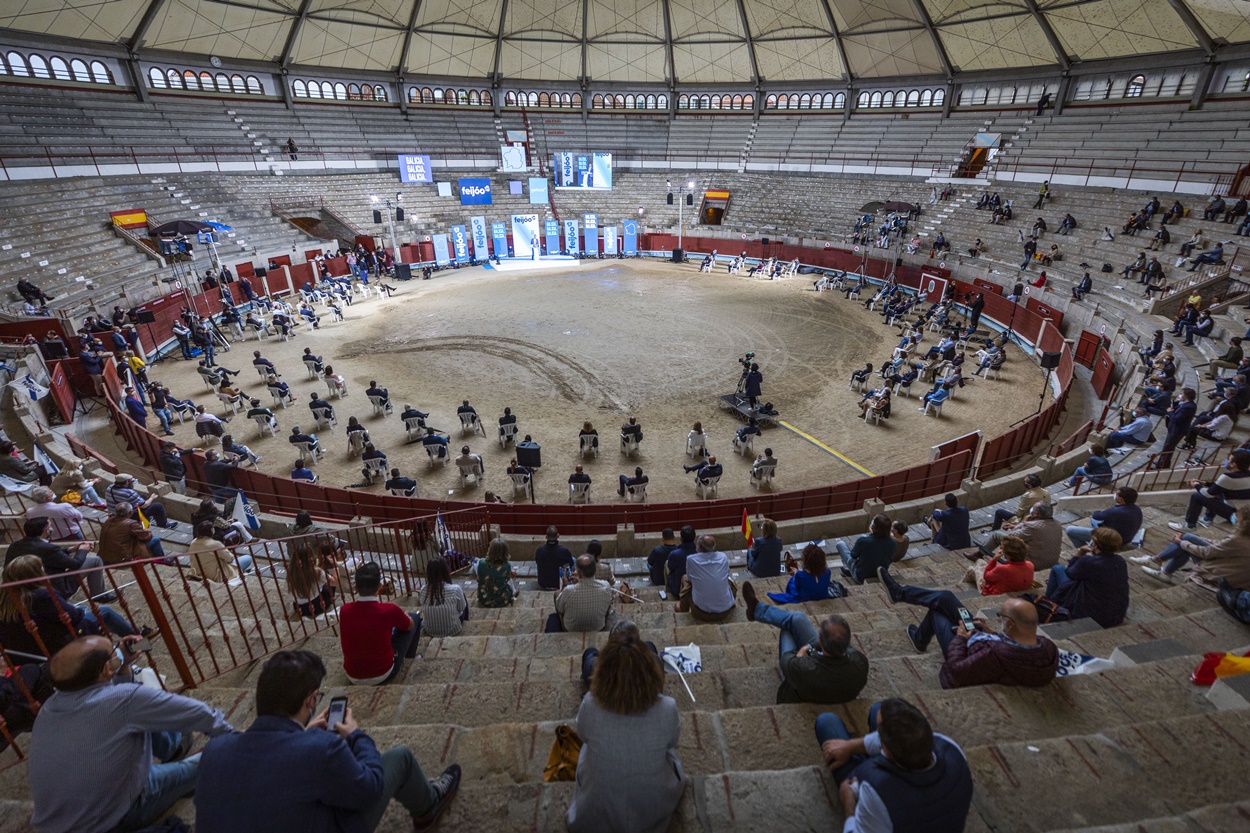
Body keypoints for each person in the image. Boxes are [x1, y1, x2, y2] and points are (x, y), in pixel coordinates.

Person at [195, 650, 460, 833]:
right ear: (311, 700)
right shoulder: (321, 748)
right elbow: (370, 790)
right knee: (400, 756)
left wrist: (302, 734)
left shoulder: (214, 751)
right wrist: (356, 735)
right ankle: (428, 806)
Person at [29, 634, 233, 833]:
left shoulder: (49, 708)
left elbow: (117, 709)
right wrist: (234, 740)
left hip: (55, 821)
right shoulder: (125, 699)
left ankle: (174, 755)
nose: (118, 650)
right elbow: (202, 715)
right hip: (114, 818)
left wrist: (123, 664)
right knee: (206, 761)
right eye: (113, 651)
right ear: (106, 669)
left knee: (142, 719)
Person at [566, 622, 684, 833]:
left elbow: (583, 735)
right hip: (653, 810)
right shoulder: (667, 708)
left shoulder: (591, 705)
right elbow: (672, 743)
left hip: (596, 811)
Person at [880, 568, 1058, 688]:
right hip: (979, 633)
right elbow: (1015, 647)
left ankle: (920, 638)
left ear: (1010, 624)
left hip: (966, 644)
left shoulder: (993, 656)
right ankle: (899, 593)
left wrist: (960, 638)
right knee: (946, 598)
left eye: (1001, 616)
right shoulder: (1047, 647)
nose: (1000, 618)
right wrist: (991, 633)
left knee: (937, 611)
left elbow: (955, 672)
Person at [816, 698, 973, 833]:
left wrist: (848, 803)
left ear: (885, 749)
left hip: (884, 798)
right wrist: (849, 746)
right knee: (879, 708)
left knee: (827, 721)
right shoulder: (951, 748)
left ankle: (857, 754)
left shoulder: (875, 792)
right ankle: (858, 748)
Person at [741, 582, 868, 705]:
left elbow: (786, 660)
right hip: (823, 671)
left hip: (801, 686)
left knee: (788, 625)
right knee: (797, 618)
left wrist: (804, 652)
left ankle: (756, 610)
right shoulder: (860, 663)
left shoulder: (804, 668)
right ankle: (756, 609)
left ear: (820, 639)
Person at [0, 556, 139, 657]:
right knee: (105, 611)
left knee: (85, 610)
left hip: (27, 650)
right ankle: (139, 641)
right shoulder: (42, 595)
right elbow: (75, 616)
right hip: (59, 642)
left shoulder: (5, 597)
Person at [338, 563, 421, 685]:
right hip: (383, 673)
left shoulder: (344, 610)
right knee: (415, 618)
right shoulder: (389, 610)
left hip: (352, 674)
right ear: (379, 587)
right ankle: (409, 659)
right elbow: (409, 625)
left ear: (356, 588)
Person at [1136, 512, 1250, 588]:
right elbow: (1220, 545)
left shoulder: (1238, 540)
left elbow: (1207, 553)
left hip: (1220, 570)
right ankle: (1162, 568)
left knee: (1186, 541)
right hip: (1226, 564)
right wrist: (1196, 539)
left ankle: (1157, 562)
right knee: (1187, 540)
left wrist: (1181, 542)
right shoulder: (1242, 538)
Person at [1044, 527, 1129, 628]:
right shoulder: (1120, 561)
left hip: (1091, 616)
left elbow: (1070, 572)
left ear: (1096, 544)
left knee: (1057, 569)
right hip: (1115, 615)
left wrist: (1080, 553)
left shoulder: (1088, 562)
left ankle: (1046, 607)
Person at [1166, 449, 1250, 531]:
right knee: (1218, 492)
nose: (1226, 461)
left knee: (1196, 496)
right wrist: (1204, 483)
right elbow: (1219, 487)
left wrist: (1196, 485)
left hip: (1238, 516)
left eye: (1228, 459)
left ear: (1233, 464)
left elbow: (1207, 494)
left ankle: (1189, 525)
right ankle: (1207, 519)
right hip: (1245, 512)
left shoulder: (1228, 477)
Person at [978, 501, 1063, 570]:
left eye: (1032, 509)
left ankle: (978, 554)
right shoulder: (1057, 523)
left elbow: (1011, 537)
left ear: (1035, 514)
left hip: (1034, 563)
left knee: (997, 535)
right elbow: (1033, 534)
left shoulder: (1032, 526)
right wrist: (1017, 526)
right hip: (1052, 560)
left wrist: (1024, 522)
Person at [546, 554, 614, 633]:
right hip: (598, 627)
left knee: (557, 593)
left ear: (579, 573)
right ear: (594, 569)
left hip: (570, 628)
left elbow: (560, 609)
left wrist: (564, 587)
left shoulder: (568, 590)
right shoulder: (606, 586)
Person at [676, 534, 737, 622]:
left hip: (701, 612)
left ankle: (683, 608)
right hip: (725, 611)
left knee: (685, 579)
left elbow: (689, 580)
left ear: (699, 548)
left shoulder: (691, 559)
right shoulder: (723, 557)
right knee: (729, 581)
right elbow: (727, 574)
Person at [1065, 486, 1143, 552]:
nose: (1115, 495)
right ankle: (1091, 545)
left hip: (1112, 541)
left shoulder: (1116, 511)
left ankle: (1086, 550)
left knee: (1070, 530)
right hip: (1125, 539)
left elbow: (1097, 515)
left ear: (1121, 500)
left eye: (1116, 495)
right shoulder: (1137, 509)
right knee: (1094, 523)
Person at [963, 535, 1035, 595]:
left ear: (1008, 555)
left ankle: (962, 587)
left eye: (1002, 548)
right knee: (980, 561)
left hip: (994, 593)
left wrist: (994, 559)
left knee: (971, 570)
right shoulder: (1030, 564)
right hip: (1015, 588)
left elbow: (986, 577)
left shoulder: (1003, 568)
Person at [767, 544, 838, 604]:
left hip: (805, 598)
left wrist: (796, 574)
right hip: (822, 596)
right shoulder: (828, 572)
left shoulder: (800, 575)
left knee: (792, 580)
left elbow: (798, 584)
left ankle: (788, 594)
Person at [186, 520, 253, 582]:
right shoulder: (214, 544)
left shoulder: (193, 542)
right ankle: (238, 574)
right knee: (248, 558)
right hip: (217, 576)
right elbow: (230, 559)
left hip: (199, 574)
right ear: (211, 530)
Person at [836, 514, 896, 584]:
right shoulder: (893, 542)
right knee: (864, 537)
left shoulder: (863, 541)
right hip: (880, 575)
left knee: (840, 544)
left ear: (874, 527)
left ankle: (851, 570)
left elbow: (853, 555)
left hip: (860, 577)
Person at [420, 558, 468, 637]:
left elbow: (422, 603)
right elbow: (462, 607)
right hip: (453, 630)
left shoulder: (423, 590)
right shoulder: (455, 589)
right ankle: (466, 621)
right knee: (463, 597)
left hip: (429, 631)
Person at [286, 542, 336, 618]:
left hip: (298, 607)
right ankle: (331, 599)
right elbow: (334, 582)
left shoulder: (291, 571)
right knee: (330, 579)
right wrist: (335, 566)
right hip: (317, 605)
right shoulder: (316, 572)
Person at [476, 537, 516, 607]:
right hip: (501, 600)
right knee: (509, 585)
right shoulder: (507, 566)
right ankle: (513, 593)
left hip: (484, 599)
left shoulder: (481, 562)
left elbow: (478, 578)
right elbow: (507, 579)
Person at [534, 525, 574, 590]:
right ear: (558, 536)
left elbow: (537, 562)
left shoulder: (539, 550)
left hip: (543, 583)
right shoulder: (564, 551)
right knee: (573, 560)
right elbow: (571, 564)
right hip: (558, 583)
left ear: (546, 537)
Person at [666, 525, 699, 597]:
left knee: (667, 564)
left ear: (681, 539)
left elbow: (670, 567)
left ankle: (667, 589)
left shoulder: (674, 554)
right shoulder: (699, 553)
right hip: (696, 587)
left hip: (677, 588)